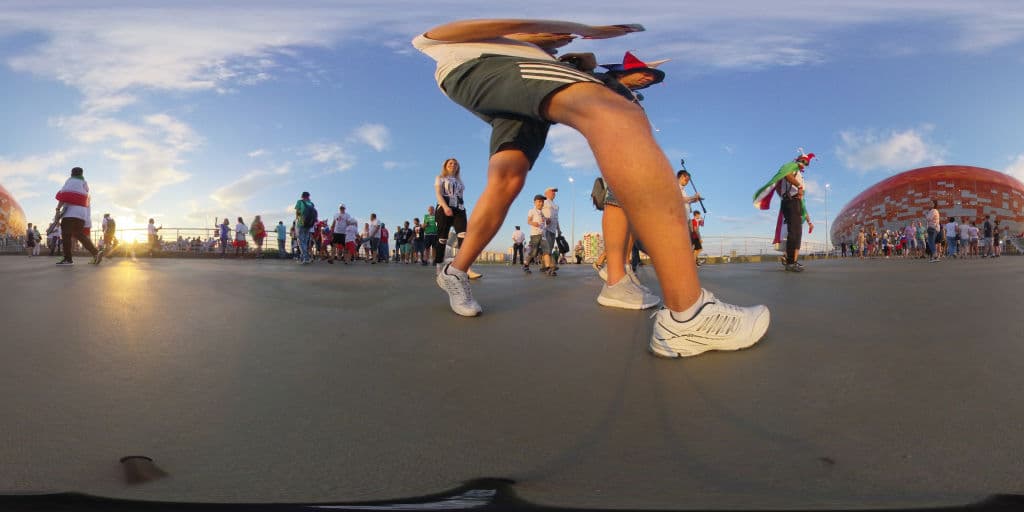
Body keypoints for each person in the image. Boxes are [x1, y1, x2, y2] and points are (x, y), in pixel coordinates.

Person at [413, 19, 768, 356]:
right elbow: (483, 27)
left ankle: (454, 271)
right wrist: (579, 29)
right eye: (547, 42)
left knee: (507, 178)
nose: (554, 46)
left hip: (513, 99)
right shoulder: (471, 45)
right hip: (487, 72)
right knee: (616, 112)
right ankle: (688, 315)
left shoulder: (534, 59)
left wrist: (581, 57)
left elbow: (564, 57)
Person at [754, 150, 815, 272]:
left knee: (796, 233)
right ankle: (790, 262)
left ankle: (792, 261)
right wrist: (798, 187)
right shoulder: (791, 167)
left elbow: (778, 186)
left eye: (807, 163)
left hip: (793, 202)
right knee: (793, 232)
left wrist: (784, 196)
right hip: (791, 201)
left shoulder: (797, 172)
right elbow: (786, 175)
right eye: (803, 161)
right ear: (797, 160)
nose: (804, 164)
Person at [54, 166, 102, 265]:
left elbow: (64, 195)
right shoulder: (84, 184)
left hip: (71, 213)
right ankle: (96, 253)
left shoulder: (71, 181)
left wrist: (58, 210)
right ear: (81, 174)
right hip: (82, 214)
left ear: (72, 173)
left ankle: (68, 259)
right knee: (78, 234)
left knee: (66, 235)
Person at [523, 194, 553, 276]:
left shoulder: (542, 213)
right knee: (533, 253)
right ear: (535, 202)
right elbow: (528, 221)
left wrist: (547, 221)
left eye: (542, 202)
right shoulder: (532, 211)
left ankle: (548, 268)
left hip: (543, 235)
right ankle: (526, 265)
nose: (541, 203)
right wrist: (533, 223)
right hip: (535, 235)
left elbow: (544, 222)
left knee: (547, 251)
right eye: (539, 201)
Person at [294, 192, 315, 264]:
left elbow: (297, 213)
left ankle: (305, 258)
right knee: (305, 242)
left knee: (300, 241)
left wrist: (296, 221)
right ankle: (303, 257)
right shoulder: (311, 204)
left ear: (302, 196)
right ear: (308, 196)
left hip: (301, 223)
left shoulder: (300, 202)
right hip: (309, 225)